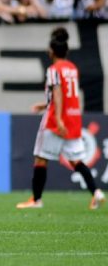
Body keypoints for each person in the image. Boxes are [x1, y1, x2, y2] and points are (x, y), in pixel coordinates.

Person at [16, 28, 105, 210]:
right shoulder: (72, 68)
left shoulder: (53, 69)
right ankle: (96, 193)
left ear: (52, 51)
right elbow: (67, 93)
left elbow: (57, 92)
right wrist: (45, 104)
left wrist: (57, 118)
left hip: (57, 120)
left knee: (40, 158)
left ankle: (36, 200)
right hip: (73, 117)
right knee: (76, 161)